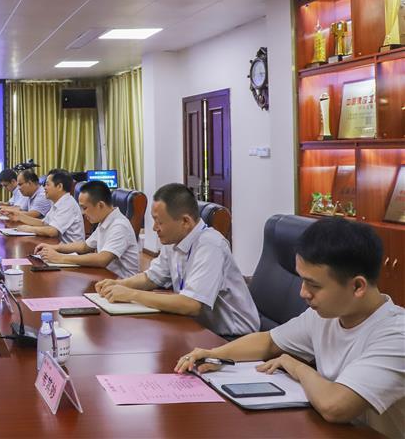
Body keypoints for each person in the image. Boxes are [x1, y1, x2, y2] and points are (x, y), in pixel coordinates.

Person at [175, 218, 403, 438]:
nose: (303, 292)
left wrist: (296, 366)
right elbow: (269, 341)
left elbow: (335, 406)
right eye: (302, 280)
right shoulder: (328, 314)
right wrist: (215, 354)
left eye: (313, 285)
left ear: (357, 286)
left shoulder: (396, 335)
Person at [96, 183, 258, 338]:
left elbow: (191, 304)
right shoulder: (174, 240)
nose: (154, 228)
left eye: (159, 222)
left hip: (233, 337)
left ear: (185, 221)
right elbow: (151, 277)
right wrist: (119, 284)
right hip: (197, 326)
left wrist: (131, 294)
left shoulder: (211, 245)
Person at [34, 180, 138, 278]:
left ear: (100, 205)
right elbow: (85, 246)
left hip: (122, 283)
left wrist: (60, 258)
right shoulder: (105, 220)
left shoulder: (119, 225)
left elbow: (102, 259)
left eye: (85, 208)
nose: (83, 213)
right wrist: (55, 247)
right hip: (106, 277)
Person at [5, 169, 84, 244]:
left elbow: (52, 231)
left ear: (59, 186)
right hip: (57, 246)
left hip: (70, 251)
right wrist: (19, 216)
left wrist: (29, 229)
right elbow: (44, 223)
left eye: (47, 184)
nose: (44, 188)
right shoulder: (57, 202)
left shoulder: (67, 204)